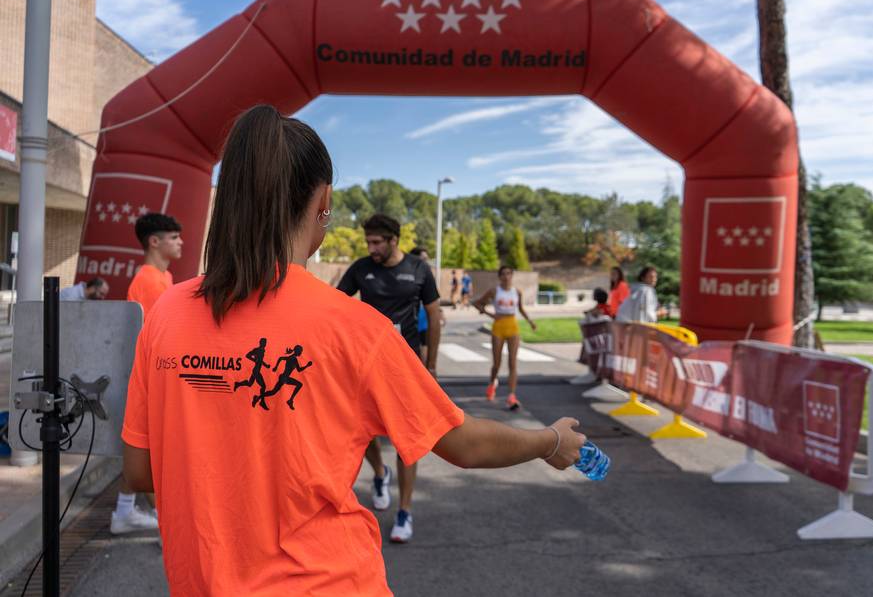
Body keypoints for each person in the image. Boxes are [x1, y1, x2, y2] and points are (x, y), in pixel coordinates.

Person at [120, 105, 584, 595]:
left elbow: (139, 471)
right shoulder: (355, 327)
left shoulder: (167, 314)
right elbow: (462, 444)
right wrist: (549, 442)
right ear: (324, 200)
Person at [337, 216, 442, 543]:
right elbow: (335, 307)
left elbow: (434, 316)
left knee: (406, 440)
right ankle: (380, 474)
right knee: (364, 431)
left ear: (394, 239)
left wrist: (432, 365)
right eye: (368, 242)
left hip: (406, 365)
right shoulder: (361, 268)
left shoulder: (419, 270)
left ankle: (405, 510)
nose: (372, 248)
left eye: (377, 242)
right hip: (366, 365)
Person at [111, 212, 183, 536]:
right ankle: (170, 530)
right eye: (174, 237)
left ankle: (123, 513)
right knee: (154, 456)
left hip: (150, 375)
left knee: (149, 453)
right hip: (151, 378)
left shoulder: (163, 278)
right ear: (155, 241)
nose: (181, 241)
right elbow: (161, 342)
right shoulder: (151, 281)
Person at [474, 265, 537, 411]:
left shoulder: (517, 292)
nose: (506, 276)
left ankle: (511, 396)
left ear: (512, 275)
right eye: (503, 274)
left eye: (509, 273)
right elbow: (477, 303)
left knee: (512, 363)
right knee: (497, 363)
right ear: (499, 276)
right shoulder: (495, 291)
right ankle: (492, 384)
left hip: (512, 326)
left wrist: (530, 321)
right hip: (498, 327)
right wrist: (490, 314)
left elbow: (520, 308)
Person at [409, 246, 445, 364]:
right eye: (423, 259)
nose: (426, 262)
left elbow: (433, 300)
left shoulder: (426, 275)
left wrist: (440, 313)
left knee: (424, 354)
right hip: (409, 324)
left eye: (426, 259)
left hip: (424, 322)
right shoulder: (405, 276)